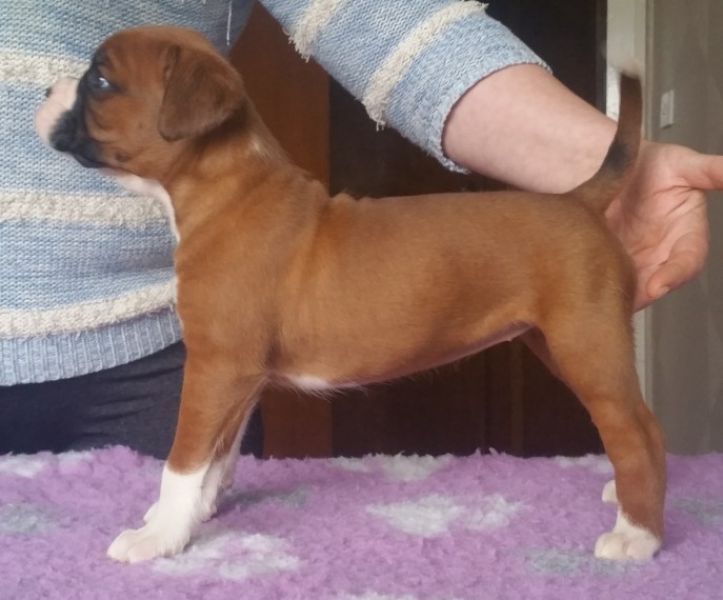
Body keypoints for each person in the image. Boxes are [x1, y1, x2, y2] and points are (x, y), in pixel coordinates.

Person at [0, 1, 719, 457]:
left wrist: (599, 158)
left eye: (101, 82)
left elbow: (370, 14)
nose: (64, 91)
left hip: (151, 358)